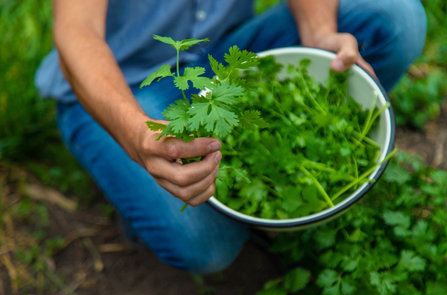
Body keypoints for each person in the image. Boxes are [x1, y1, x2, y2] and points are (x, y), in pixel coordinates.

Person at [35, 0, 426, 274]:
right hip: (121, 87)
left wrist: (319, 33)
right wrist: (136, 133)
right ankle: (136, 178)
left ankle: (233, 192)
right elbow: (75, 29)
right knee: (205, 245)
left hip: (227, 55)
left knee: (395, 17)